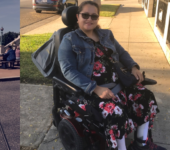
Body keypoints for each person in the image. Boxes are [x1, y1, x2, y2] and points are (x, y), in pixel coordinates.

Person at [58, 1, 165, 150]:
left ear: (98, 18)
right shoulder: (69, 39)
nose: (89, 19)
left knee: (146, 97)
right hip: (93, 91)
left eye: (94, 16)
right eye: (85, 15)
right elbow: (68, 70)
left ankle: (142, 143)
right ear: (77, 16)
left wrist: (133, 67)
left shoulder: (106, 34)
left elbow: (121, 53)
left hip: (120, 83)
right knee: (116, 112)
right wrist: (96, 88)